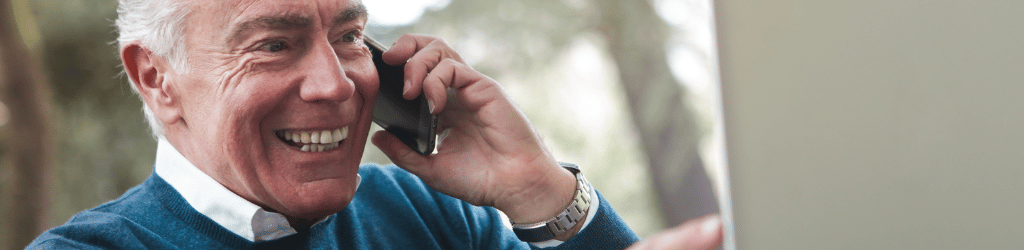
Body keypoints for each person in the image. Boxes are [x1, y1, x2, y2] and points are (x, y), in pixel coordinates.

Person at [29, 0, 721, 249]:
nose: (335, 83)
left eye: (350, 35)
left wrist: (538, 191)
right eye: (275, 43)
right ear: (157, 78)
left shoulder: (437, 216)